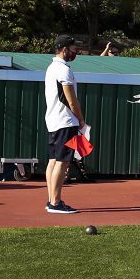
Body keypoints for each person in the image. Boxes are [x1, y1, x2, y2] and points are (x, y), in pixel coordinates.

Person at [44, 35, 86, 214]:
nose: (75, 51)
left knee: (53, 160)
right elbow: (70, 98)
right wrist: (81, 119)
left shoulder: (52, 67)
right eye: (73, 47)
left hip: (54, 121)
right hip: (65, 121)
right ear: (64, 49)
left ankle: (52, 200)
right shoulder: (63, 70)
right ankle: (55, 203)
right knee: (62, 162)